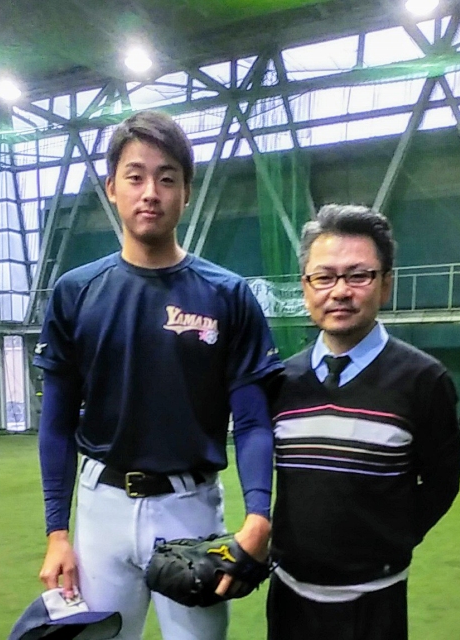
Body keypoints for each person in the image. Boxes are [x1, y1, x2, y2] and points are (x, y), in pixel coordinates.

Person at [32, 110, 283, 640]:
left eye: (167, 178)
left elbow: (252, 422)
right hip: (100, 508)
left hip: (191, 509)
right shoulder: (75, 292)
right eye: (135, 176)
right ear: (112, 188)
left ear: (186, 193)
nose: (151, 192)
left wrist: (259, 516)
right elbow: (55, 423)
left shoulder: (227, 294)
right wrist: (57, 532)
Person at [266, 204, 460, 640]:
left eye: (358, 276)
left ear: (386, 284)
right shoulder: (282, 381)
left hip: (375, 601)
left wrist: (389, 541)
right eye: (324, 277)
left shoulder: (424, 380)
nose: (340, 291)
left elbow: (442, 482)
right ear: (306, 286)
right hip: (288, 596)